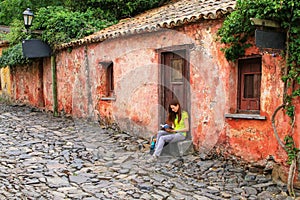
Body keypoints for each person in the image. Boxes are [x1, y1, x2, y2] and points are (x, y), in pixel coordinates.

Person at [147, 99, 189, 163]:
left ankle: (155, 156)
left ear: (177, 106)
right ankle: (156, 150)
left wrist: (175, 130)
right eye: (171, 108)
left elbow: (187, 128)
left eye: (173, 108)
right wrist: (169, 128)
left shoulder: (184, 114)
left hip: (181, 134)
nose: (172, 110)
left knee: (163, 138)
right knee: (160, 133)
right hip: (174, 132)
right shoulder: (175, 115)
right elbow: (173, 126)